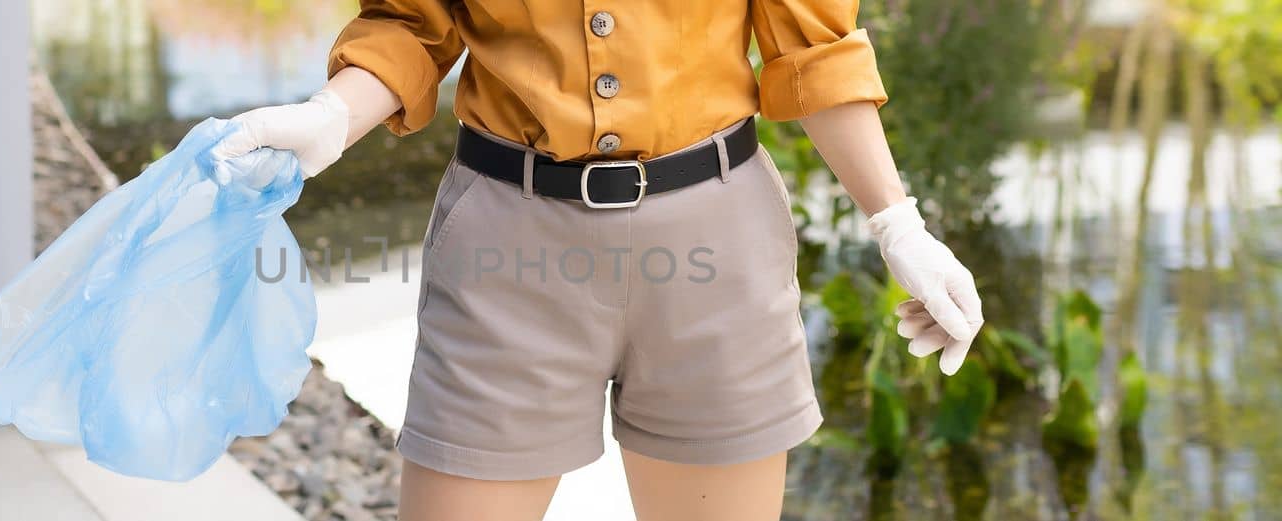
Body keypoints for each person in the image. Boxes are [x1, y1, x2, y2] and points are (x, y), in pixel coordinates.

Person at [214, 1, 984, 519]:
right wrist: (330, 117)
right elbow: (411, 24)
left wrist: (898, 224)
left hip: (717, 245)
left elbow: (815, 48)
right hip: (507, 246)